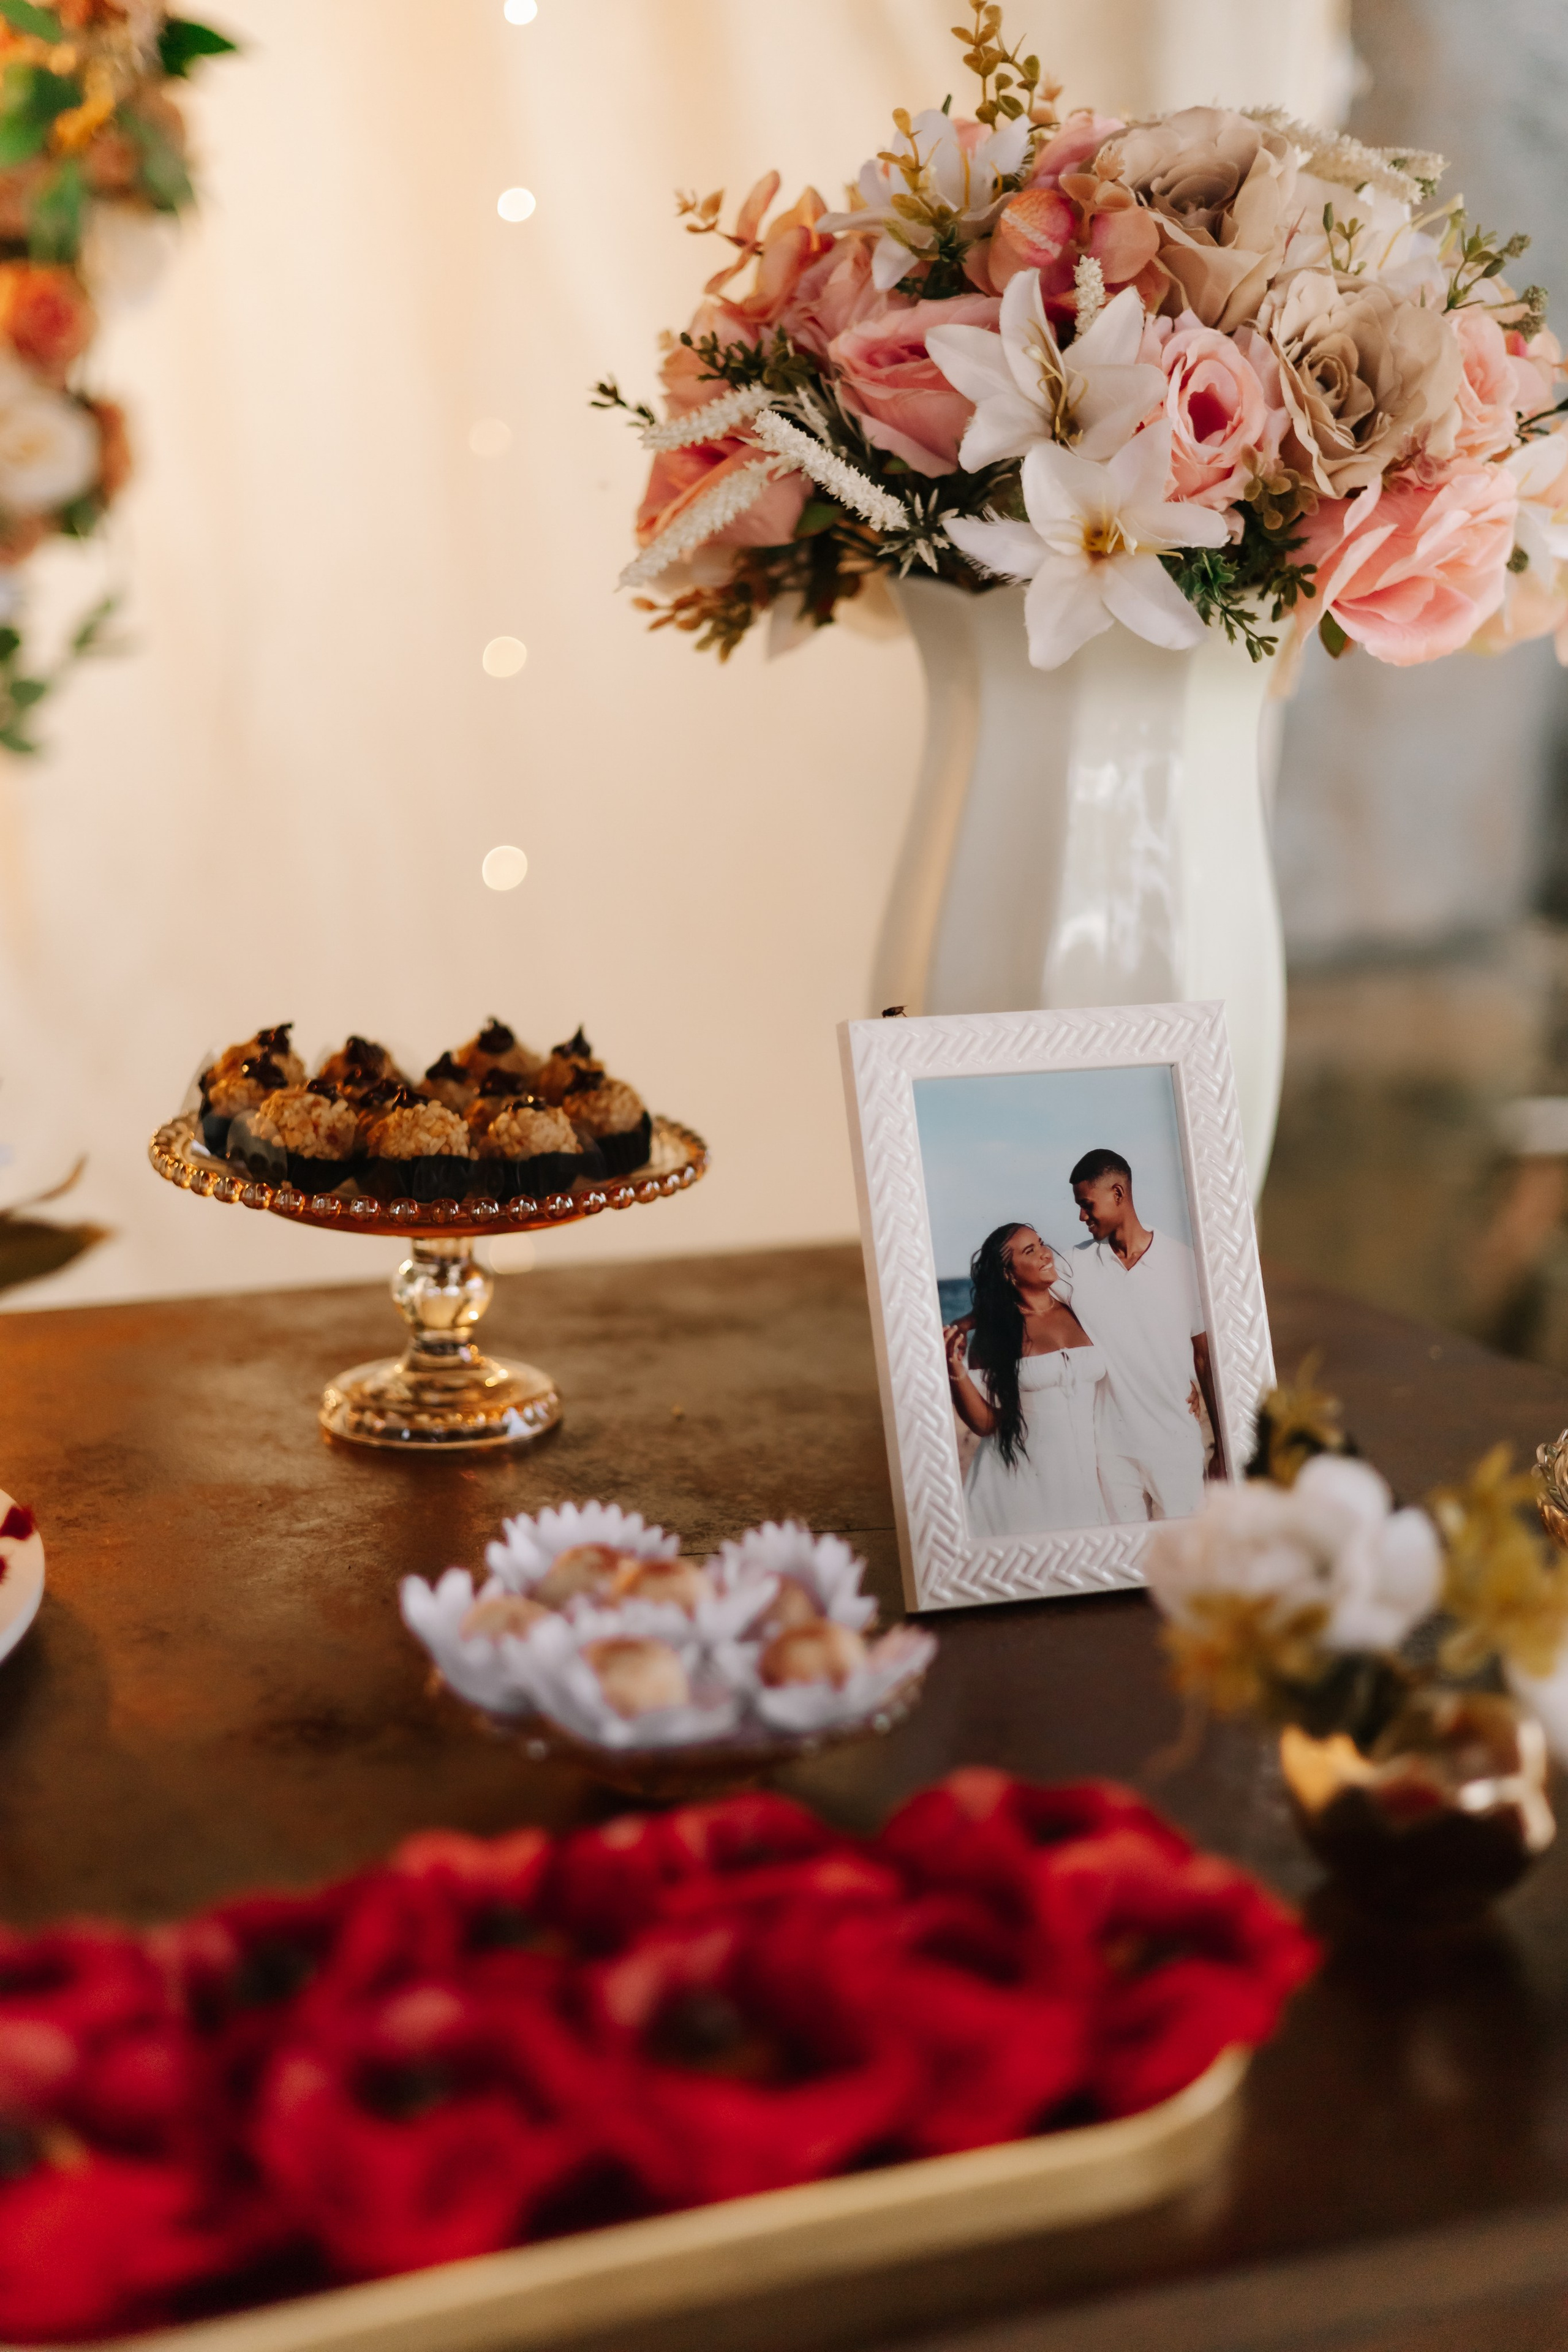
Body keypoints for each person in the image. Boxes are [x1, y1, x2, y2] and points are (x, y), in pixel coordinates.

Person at [1067, 1147, 1222, 1523]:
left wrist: (1222, 1444)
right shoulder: (1073, 1266)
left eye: (1087, 1205)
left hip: (1176, 1445)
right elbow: (1021, 1294)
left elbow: (1205, 1358)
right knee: (1124, 1557)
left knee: (1183, 1556)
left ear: (1118, 1194)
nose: (1082, 1216)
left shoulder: (1183, 1261)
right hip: (1111, 1454)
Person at [943, 1223, 1109, 1538]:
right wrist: (954, 1368)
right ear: (1009, 1274)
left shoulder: (1079, 1307)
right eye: (1030, 1251)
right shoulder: (995, 1335)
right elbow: (985, 1424)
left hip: (1084, 1480)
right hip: (1017, 1482)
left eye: (1041, 1243)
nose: (1046, 1253)